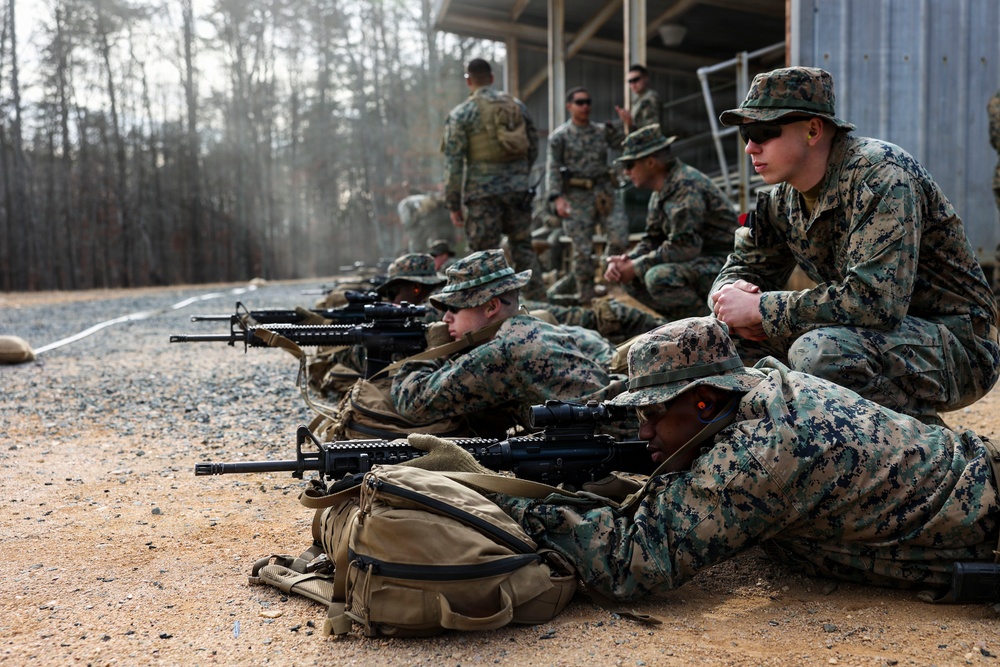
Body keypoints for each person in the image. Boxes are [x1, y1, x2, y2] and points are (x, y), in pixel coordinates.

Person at [492, 316, 1000, 602]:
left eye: (653, 414)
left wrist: (504, 503)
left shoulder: (758, 457)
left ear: (706, 401)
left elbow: (629, 561)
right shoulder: (763, 386)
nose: (643, 430)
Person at [708, 66, 999, 426]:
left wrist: (762, 308)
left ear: (813, 129)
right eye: (745, 134)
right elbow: (741, 267)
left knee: (822, 354)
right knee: (714, 344)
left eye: (763, 131)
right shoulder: (779, 200)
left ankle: (935, 451)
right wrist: (729, 296)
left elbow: (876, 302)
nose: (751, 146)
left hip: (957, 346)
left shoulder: (880, 174)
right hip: (870, 334)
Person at [391, 249, 625, 439]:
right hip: (621, 424)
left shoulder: (505, 350)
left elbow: (412, 402)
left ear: (491, 307)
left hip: (624, 437)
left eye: (454, 308)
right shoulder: (532, 328)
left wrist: (433, 351)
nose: (445, 319)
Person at [604, 124, 738, 319]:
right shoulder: (661, 192)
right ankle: (680, 323)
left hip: (725, 263)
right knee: (631, 277)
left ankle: (711, 327)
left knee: (658, 277)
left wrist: (636, 266)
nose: (626, 172)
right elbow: (653, 239)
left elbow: (685, 247)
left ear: (650, 162)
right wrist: (627, 261)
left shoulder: (686, 185)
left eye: (629, 165)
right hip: (698, 262)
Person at [442, 58, 545, 300]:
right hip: (518, 191)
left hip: (482, 195)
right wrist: (519, 176)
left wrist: (453, 203)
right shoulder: (517, 107)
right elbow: (532, 147)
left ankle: (486, 310)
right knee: (523, 247)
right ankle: (540, 305)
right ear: (491, 78)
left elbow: (453, 162)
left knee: (482, 256)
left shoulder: (462, 113)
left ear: (469, 81)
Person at [546, 87, 630, 304]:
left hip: (603, 192)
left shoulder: (601, 131)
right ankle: (586, 295)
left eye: (588, 102)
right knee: (582, 250)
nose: (585, 106)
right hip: (576, 196)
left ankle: (610, 278)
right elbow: (553, 168)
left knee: (620, 235)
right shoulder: (560, 137)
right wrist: (557, 198)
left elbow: (627, 144)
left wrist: (629, 124)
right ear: (569, 106)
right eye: (580, 102)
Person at [397, 191, 454, 255]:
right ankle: (416, 250)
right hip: (408, 211)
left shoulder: (431, 200)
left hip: (420, 213)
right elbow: (409, 222)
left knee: (427, 226)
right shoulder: (416, 204)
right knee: (415, 233)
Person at [614, 64, 662, 133]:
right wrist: (629, 122)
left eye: (636, 80)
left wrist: (630, 123)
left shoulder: (649, 98)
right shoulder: (638, 100)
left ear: (645, 78)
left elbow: (651, 129)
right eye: (630, 81)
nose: (633, 84)